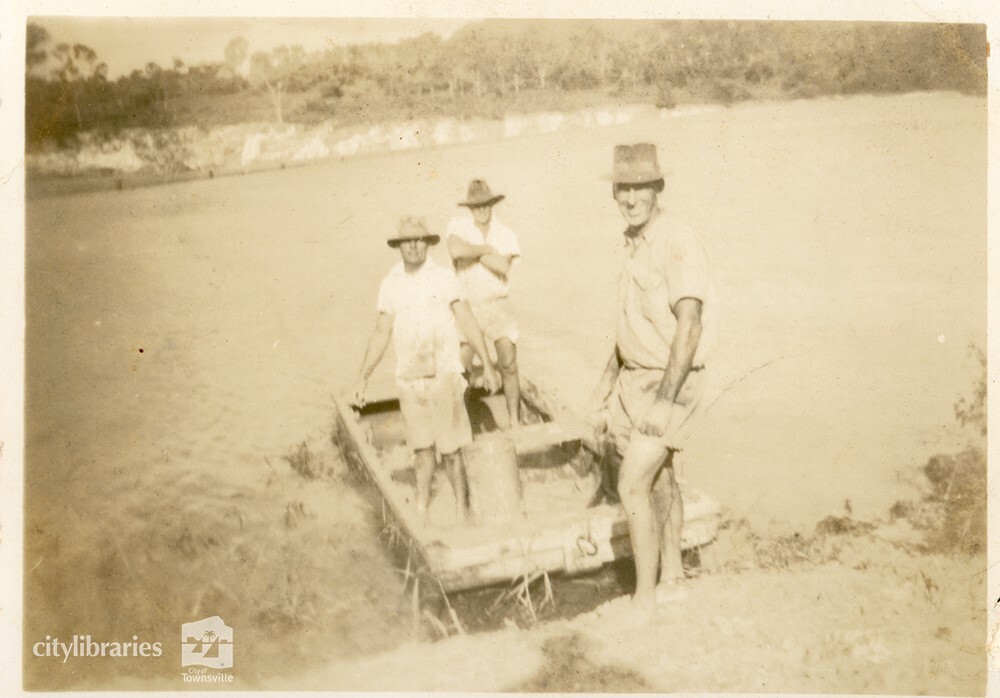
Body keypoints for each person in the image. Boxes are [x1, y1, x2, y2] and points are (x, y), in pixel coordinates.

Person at [590, 143, 714, 610]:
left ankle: (644, 598)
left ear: (658, 188)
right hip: (634, 381)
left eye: (641, 187)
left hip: (671, 383)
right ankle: (675, 577)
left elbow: (690, 324)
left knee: (631, 484)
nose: (630, 197)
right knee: (660, 479)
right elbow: (632, 325)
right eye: (623, 187)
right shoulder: (633, 242)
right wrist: (606, 382)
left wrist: (665, 399)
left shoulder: (676, 241)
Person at [354, 216, 501, 525]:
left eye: (420, 240)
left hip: (444, 377)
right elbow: (381, 333)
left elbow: (467, 320)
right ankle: (421, 509)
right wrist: (363, 377)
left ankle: (464, 512)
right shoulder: (390, 283)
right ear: (398, 246)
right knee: (422, 451)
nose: (414, 246)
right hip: (410, 382)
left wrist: (487, 364)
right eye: (407, 241)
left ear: (428, 243)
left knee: (451, 452)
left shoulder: (443, 277)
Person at [446, 179, 523, 429]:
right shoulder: (458, 226)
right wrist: (486, 250)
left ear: (492, 204)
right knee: (462, 367)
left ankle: (514, 422)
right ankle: (461, 425)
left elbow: (502, 266)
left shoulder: (506, 233)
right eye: (476, 206)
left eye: (485, 205)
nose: (481, 210)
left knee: (509, 365)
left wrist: (474, 253)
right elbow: (456, 251)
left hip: (497, 305)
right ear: (470, 208)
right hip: (467, 307)